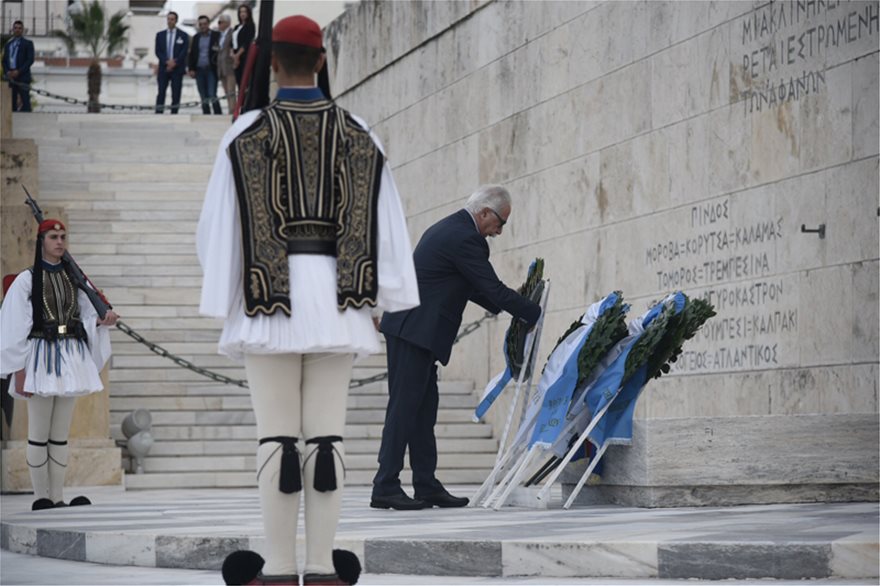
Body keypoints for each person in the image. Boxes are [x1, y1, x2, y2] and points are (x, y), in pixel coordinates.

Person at [197, 14, 418, 586]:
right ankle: (322, 569)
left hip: (268, 299)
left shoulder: (245, 132)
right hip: (341, 301)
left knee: (276, 435)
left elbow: (219, 230)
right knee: (326, 436)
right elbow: (387, 224)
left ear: (272, 63)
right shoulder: (359, 131)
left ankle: (276, 569)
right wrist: (383, 296)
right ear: (322, 60)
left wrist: (226, 296)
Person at [371, 185, 542, 510]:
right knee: (404, 409)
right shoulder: (465, 237)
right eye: (500, 223)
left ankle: (426, 484)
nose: (500, 232)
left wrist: (506, 305)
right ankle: (385, 485)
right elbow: (489, 286)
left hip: (415, 331)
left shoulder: (454, 228)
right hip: (413, 331)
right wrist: (533, 310)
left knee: (423, 411)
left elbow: (470, 286)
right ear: (484, 213)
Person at [0, 220, 119, 511]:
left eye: (63, 237)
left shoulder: (73, 278)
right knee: (39, 433)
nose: (60, 242)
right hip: (40, 357)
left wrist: (103, 319)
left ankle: (58, 496)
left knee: (60, 434)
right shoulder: (27, 280)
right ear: (41, 241)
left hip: (70, 357)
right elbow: (15, 325)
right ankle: (41, 496)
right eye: (53, 237)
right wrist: (19, 368)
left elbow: (89, 313)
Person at [154, 11, 189, 115]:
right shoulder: (160, 35)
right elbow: (158, 51)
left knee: (176, 92)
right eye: (168, 19)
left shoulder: (183, 35)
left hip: (177, 69)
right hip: (163, 69)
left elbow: (184, 51)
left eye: (172, 19)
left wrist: (175, 62)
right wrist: (166, 62)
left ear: (176, 21)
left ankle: (174, 113)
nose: (170, 21)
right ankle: (159, 112)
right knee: (161, 92)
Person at [187, 15, 222, 115]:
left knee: (212, 94)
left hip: (211, 69)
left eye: (205, 24)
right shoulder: (196, 38)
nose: (203, 26)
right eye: (201, 24)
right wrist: (191, 69)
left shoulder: (216, 36)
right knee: (203, 95)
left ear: (208, 24)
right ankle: (206, 115)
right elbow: (192, 54)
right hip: (199, 70)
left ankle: (218, 114)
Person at [2, 21, 35, 112]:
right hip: (10, 76)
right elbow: (4, 61)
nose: (17, 30)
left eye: (19, 28)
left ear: (22, 30)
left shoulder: (28, 43)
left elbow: (30, 60)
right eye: (15, 28)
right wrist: (7, 71)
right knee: (11, 102)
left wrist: (19, 71)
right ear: (13, 29)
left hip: (22, 76)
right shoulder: (8, 44)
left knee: (25, 101)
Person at [216, 13, 237, 114]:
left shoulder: (232, 33)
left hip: (229, 67)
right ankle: (230, 109)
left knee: (231, 91)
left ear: (227, 23)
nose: (218, 24)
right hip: (221, 67)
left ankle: (233, 111)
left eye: (220, 22)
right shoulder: (220, 35)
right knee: (226, 92)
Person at [231, 4, 255, 90]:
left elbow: (246, 42)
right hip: (235, 56)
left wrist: (237, 56)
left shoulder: (250, 26)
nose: (242, 14)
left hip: (244, 56)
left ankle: (245, 102)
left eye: (244, 11)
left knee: (245, 83)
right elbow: (232, 42)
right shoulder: (237, 27)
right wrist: (233, 55)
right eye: (241, 12)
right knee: (239, 82)